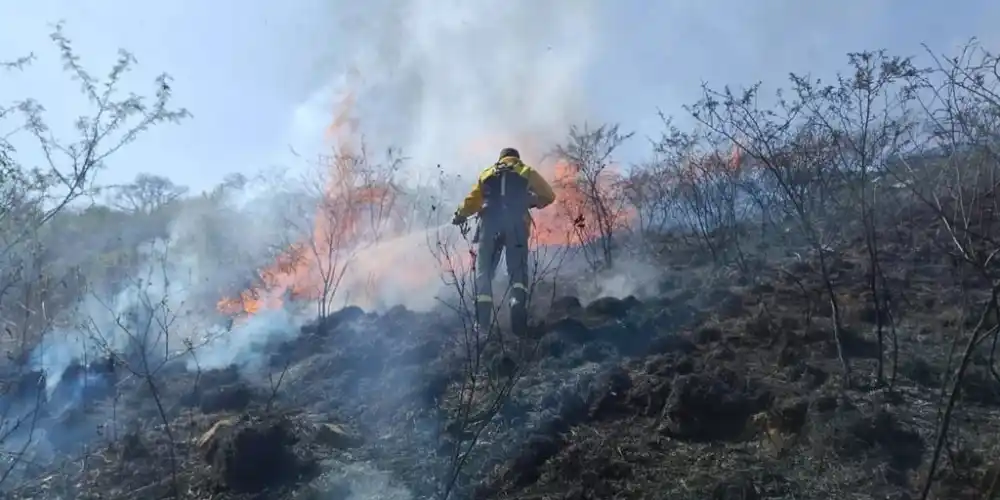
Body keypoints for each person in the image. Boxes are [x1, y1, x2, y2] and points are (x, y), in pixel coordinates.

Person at [451, 147, 557, 334]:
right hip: (516, 224)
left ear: (501, 159)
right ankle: (516, 306)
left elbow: (472, 202)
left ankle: (482, 323)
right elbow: (549, 195)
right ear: (516, 158)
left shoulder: (487, 173)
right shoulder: (525, 171)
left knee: (484, 270)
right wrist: (530, 201)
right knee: (517, 270)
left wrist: (460, 215)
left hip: (489, 225)